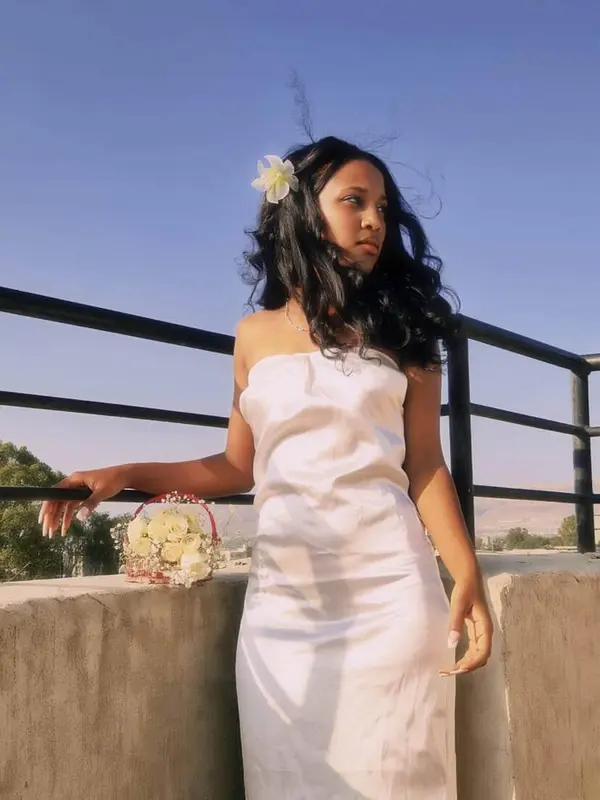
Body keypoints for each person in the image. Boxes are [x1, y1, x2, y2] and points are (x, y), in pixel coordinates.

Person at [39, 136, 492, 799]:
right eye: (354, 201)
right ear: (303, 212)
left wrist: (467, 570)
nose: (374, 221)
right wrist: (125, 472)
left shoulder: (407, 332)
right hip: (284, 605)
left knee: (403, 776)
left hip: (392, 596)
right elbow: (235, 466)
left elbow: (424, 467)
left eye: (383, 208)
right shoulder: (252, 336)